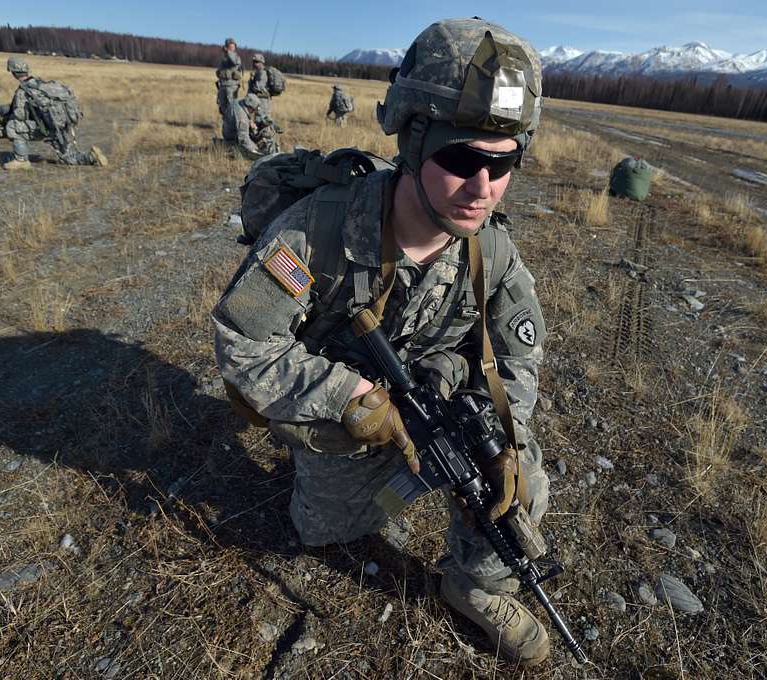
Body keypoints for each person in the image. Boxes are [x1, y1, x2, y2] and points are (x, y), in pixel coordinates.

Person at [213, 18, 551, 666]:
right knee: (325, 533)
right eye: (461, 159)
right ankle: (361, 486)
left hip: (436, 415)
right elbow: (242, 342)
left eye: (504, 162)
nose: (483, 187)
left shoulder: (494, 252)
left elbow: (517, 356)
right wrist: (346, 396)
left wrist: (499, 431)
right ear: (413, 138)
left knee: (518, 477)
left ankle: (474, 583)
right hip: (352, 426)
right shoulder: (314, 233)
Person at [2, 57, 107, 171]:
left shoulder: (23, 91)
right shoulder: (40, 83)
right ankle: (91, 157)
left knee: (13, 126)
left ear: (13, 73)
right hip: (59, 125)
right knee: (66, 158)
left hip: (47, 128)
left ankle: (21, 160)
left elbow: (19, 115)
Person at [221, 93, 263, 158]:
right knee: (244, 151)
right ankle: (231, 148)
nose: (254, 112)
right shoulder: (241, 116)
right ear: (250, 107)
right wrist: (255, 150)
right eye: (254, 110)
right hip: (231, 136)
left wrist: (249, 122)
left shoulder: (240, 102)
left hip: (229, 129)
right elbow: (243, 137)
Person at [216, 37, 243, 117]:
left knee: (232, 106)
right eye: (229, 46)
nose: (231, 48)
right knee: (222, 105)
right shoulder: (224, 58)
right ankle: (226, 124)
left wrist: (228, 52)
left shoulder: (235, 57)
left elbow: (234, 61)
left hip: (231, 86)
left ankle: (233, 125)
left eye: (233, 46)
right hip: (223, 85)